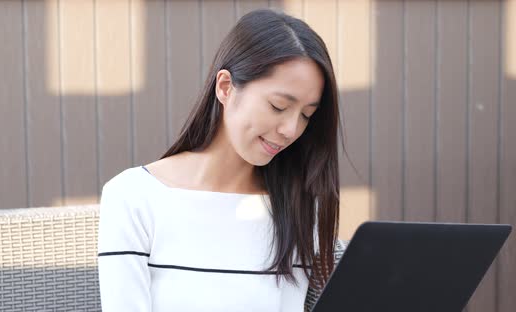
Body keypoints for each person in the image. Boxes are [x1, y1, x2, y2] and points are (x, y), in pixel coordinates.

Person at [97, 8, 349, 312]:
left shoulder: (299, 204)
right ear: (226, 87)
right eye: (278, 106)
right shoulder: (134, 196)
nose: (291, 130)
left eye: (307, 115)